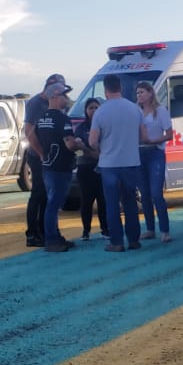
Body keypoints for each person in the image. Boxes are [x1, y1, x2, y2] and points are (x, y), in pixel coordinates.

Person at [89, 74, 145, 252]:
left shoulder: (100, 112)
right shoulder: (134, 109)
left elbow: (92, 141)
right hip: (131, 162)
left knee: (112, 204)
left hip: (109, 164)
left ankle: (117, 242)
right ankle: (134, 239)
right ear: (120, 87)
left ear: (105, 90)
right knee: (130, 202)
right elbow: (143, 136)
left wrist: (102, 147)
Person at [22, 73, 68, 247]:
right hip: (38, 156)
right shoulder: (36, 104)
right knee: (39, 194)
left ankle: (44, 231)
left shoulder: (53, 103)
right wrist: (41, 153)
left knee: (48, 197)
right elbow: (29, 132)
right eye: (61, 91)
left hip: (51, 157)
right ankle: (32, 233)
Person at [35, 82, 80, 252]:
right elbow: (69, 144)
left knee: (52, 203)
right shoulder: (62, 118)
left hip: (48, 166)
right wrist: (80, 146)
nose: (66, 99)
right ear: (54, 97)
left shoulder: (42, 118)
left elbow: (34, 140)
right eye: (64, 95)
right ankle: (52, 240)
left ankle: (55, 236)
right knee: (54, 204)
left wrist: (42, 155)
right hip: (61, 167)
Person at [134, 80, 173, 243]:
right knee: (145, 194)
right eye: (137, 93)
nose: (139, 95)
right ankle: (150, 228)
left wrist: (154, 140)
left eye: (142, 92)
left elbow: (169, 134)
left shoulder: (160, 111)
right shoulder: (136, 111)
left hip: (155, 152)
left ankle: (164, 230)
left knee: (156, 192)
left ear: (150, 93)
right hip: (139, 152)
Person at [74, 97, 106, 241]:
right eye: (90, 108)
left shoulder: (104, 126)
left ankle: (105, 229)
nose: (93, 111)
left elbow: (102, 149)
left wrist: (86, 148)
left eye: (96, 108)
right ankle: (86, 231)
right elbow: (77, 149)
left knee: (102, 200)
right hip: (85, 168)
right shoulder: (81, 128)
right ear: (86, 111)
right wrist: (87, 150)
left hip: (101, 167)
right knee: (86, 201)